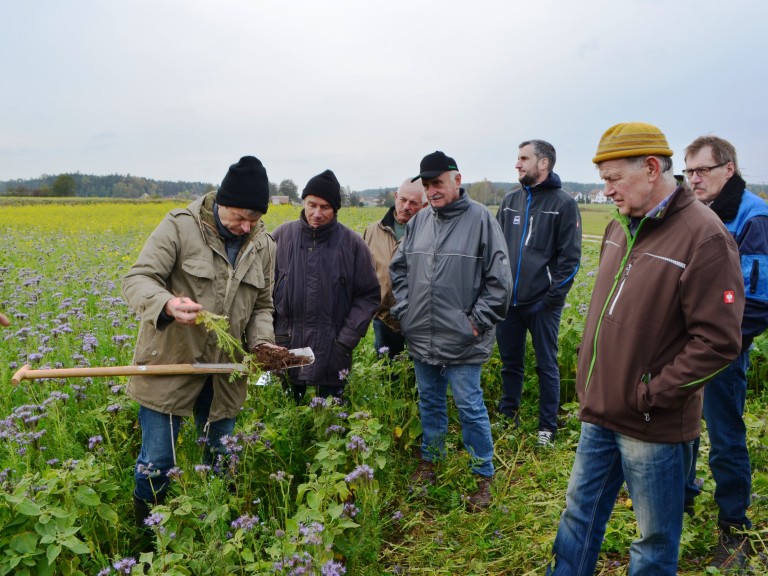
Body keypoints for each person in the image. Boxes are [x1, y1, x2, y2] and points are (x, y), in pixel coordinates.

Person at [547, 123, 744, 575]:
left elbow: (718, 341)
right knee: (578, 518)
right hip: (600, 411)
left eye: (614, 178)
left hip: (651, 424)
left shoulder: (705, 237)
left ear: (652, 168)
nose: (606, 189)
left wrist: (652, 393)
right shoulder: (620, 230)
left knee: (652, 540)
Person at [123, 156, 280, 530]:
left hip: (225, 372)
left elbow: (262, 305)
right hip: (170, 363)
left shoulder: (263, 245)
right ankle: (151, 533)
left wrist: (262, 344)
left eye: (253, 220)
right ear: (220, 202)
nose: (245, 227)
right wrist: (167, 304)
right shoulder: (179, 227)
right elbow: (137, 279)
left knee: (220, 458)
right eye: (239, 217)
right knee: (159, 460)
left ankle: (214, 530)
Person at [390, 151, 512, 511]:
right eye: (426, 185)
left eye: (437, 183)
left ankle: (483, 474)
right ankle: (432, 460)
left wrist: (473, 323)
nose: (431, 191)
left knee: (469, 405)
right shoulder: (420, 222)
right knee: (429, 400)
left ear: (457, 180)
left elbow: (499, 282)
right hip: (422, 334)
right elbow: (399, 269)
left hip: (463, 338)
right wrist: (406, 311)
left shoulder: (482, 221)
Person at [682, 135, 768, 569]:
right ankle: (684, 498)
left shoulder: (754, 216)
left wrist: (721, 345)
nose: (694, 179)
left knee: (726, 436)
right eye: (689, 171)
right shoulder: (693, 213)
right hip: (685, 347)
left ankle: (734, 526)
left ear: (728, 170)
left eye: (702, 170)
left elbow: (758, 300)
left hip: (722, 352)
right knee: (680, 427)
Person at [495, 140, 581, 446]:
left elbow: (570, 259)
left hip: (542, 303)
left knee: (546, 363)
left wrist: (551, 299)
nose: (517, 164)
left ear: (543, 163)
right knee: (510, 363)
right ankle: (508, 418)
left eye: (523, 158)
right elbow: (495, 250)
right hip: (509, 303)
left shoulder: (563, 204)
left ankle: (547, 427)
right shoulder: (509, 201)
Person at [272, 169, 379, 402]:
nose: (317, 213)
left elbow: (368, 296)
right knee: (289, 416)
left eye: (325, 207)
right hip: (286, 346)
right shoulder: (281, 237)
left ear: (335, 209)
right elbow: (262, 292)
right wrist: (270, 339)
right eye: (312, 205)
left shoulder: (352, 244)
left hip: (333, 350)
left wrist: (345, 341)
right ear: (303, 202)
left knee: (332, 419)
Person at [363, 178, 427, 359]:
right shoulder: (373, 230)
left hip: (419, 319)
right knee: (389, 374)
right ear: (396, 196)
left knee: (420, 373)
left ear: (424, 206)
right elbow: (363, 271)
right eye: (403, 200)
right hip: (384, 318)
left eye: (413, 203)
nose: (406, 206)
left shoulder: (429, 231)